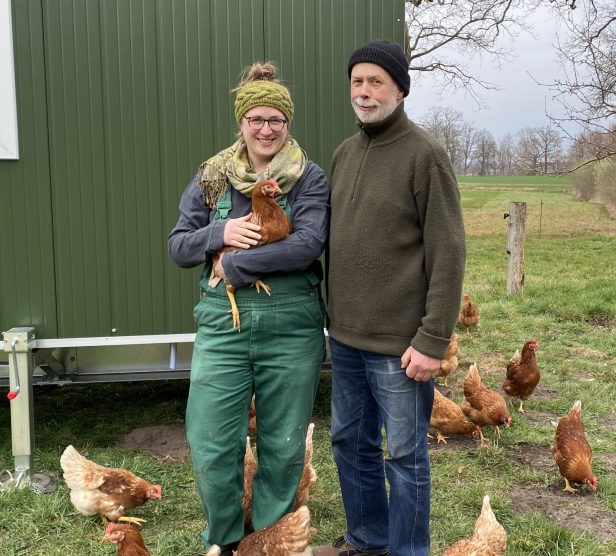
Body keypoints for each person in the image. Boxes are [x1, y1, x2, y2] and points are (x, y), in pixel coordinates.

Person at [168, 62, 329, 555]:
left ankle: (268, 538)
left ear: (288, 124)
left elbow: (308, 244)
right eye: (256, 118)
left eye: (276, 120)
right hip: (223, 325)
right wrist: (221, 233)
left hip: (291, 324)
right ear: (241, 122)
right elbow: (178, 247)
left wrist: (235, 265)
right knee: (212, 437)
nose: (266, 129)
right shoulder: (212, 177)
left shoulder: (309, 177)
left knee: (282, 445)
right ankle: (223, 536)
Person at [316, 39, 466, 556]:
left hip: (401, 347)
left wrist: (432, 338)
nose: (364, 91)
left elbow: (449, 251)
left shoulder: (425, 155)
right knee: (350, 445)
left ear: (399, 89)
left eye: (375, 81)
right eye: (356, 81)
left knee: (404, 457)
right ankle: (368, 538)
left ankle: (407, 550)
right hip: (347, 338)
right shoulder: (343, 154)